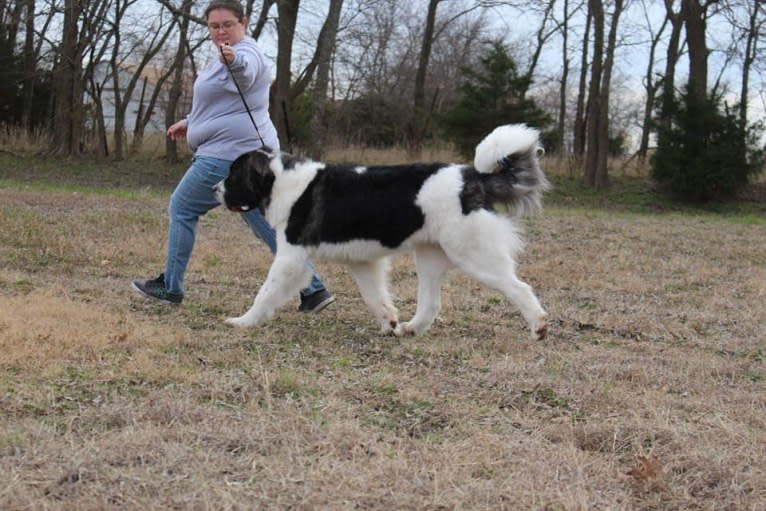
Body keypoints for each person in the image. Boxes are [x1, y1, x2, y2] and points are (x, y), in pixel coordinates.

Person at [132, 0, 335, 313]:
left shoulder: (246, 53)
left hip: (228, 158)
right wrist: (189, 122)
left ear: (245, 22)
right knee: (260, 221)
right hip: (247, 156)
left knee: (182, 207)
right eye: (214, 26)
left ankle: (170, 286)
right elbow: (221, 104)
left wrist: (233, 59)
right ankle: (313, 289)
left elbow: (246, 72)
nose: (221, 31)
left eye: (227, 24)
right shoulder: (219, 59)